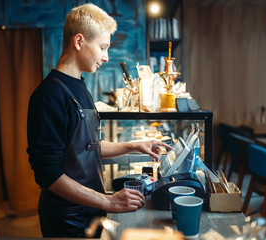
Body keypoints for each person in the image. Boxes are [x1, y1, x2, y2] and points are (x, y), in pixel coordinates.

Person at [26, 3, 171, 238]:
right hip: (67, 218)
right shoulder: (49, 96)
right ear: (79, 41)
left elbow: (86, 147)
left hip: (90, 209)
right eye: (103, 47)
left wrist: (135, 145)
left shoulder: (80, 86)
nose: (106, 57)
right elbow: (47, 173)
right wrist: (109, 201)